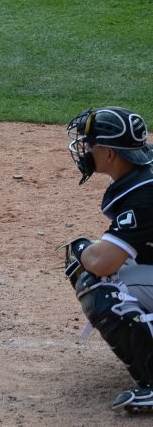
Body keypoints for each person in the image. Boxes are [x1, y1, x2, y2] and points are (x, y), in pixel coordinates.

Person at [63, 106, 153, 413]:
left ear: (111, 153)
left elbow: (102, 263)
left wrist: (81, 248)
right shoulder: (145, 170)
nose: (86, 149)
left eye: (92, 143)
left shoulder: (143, 194)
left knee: (100, 284)